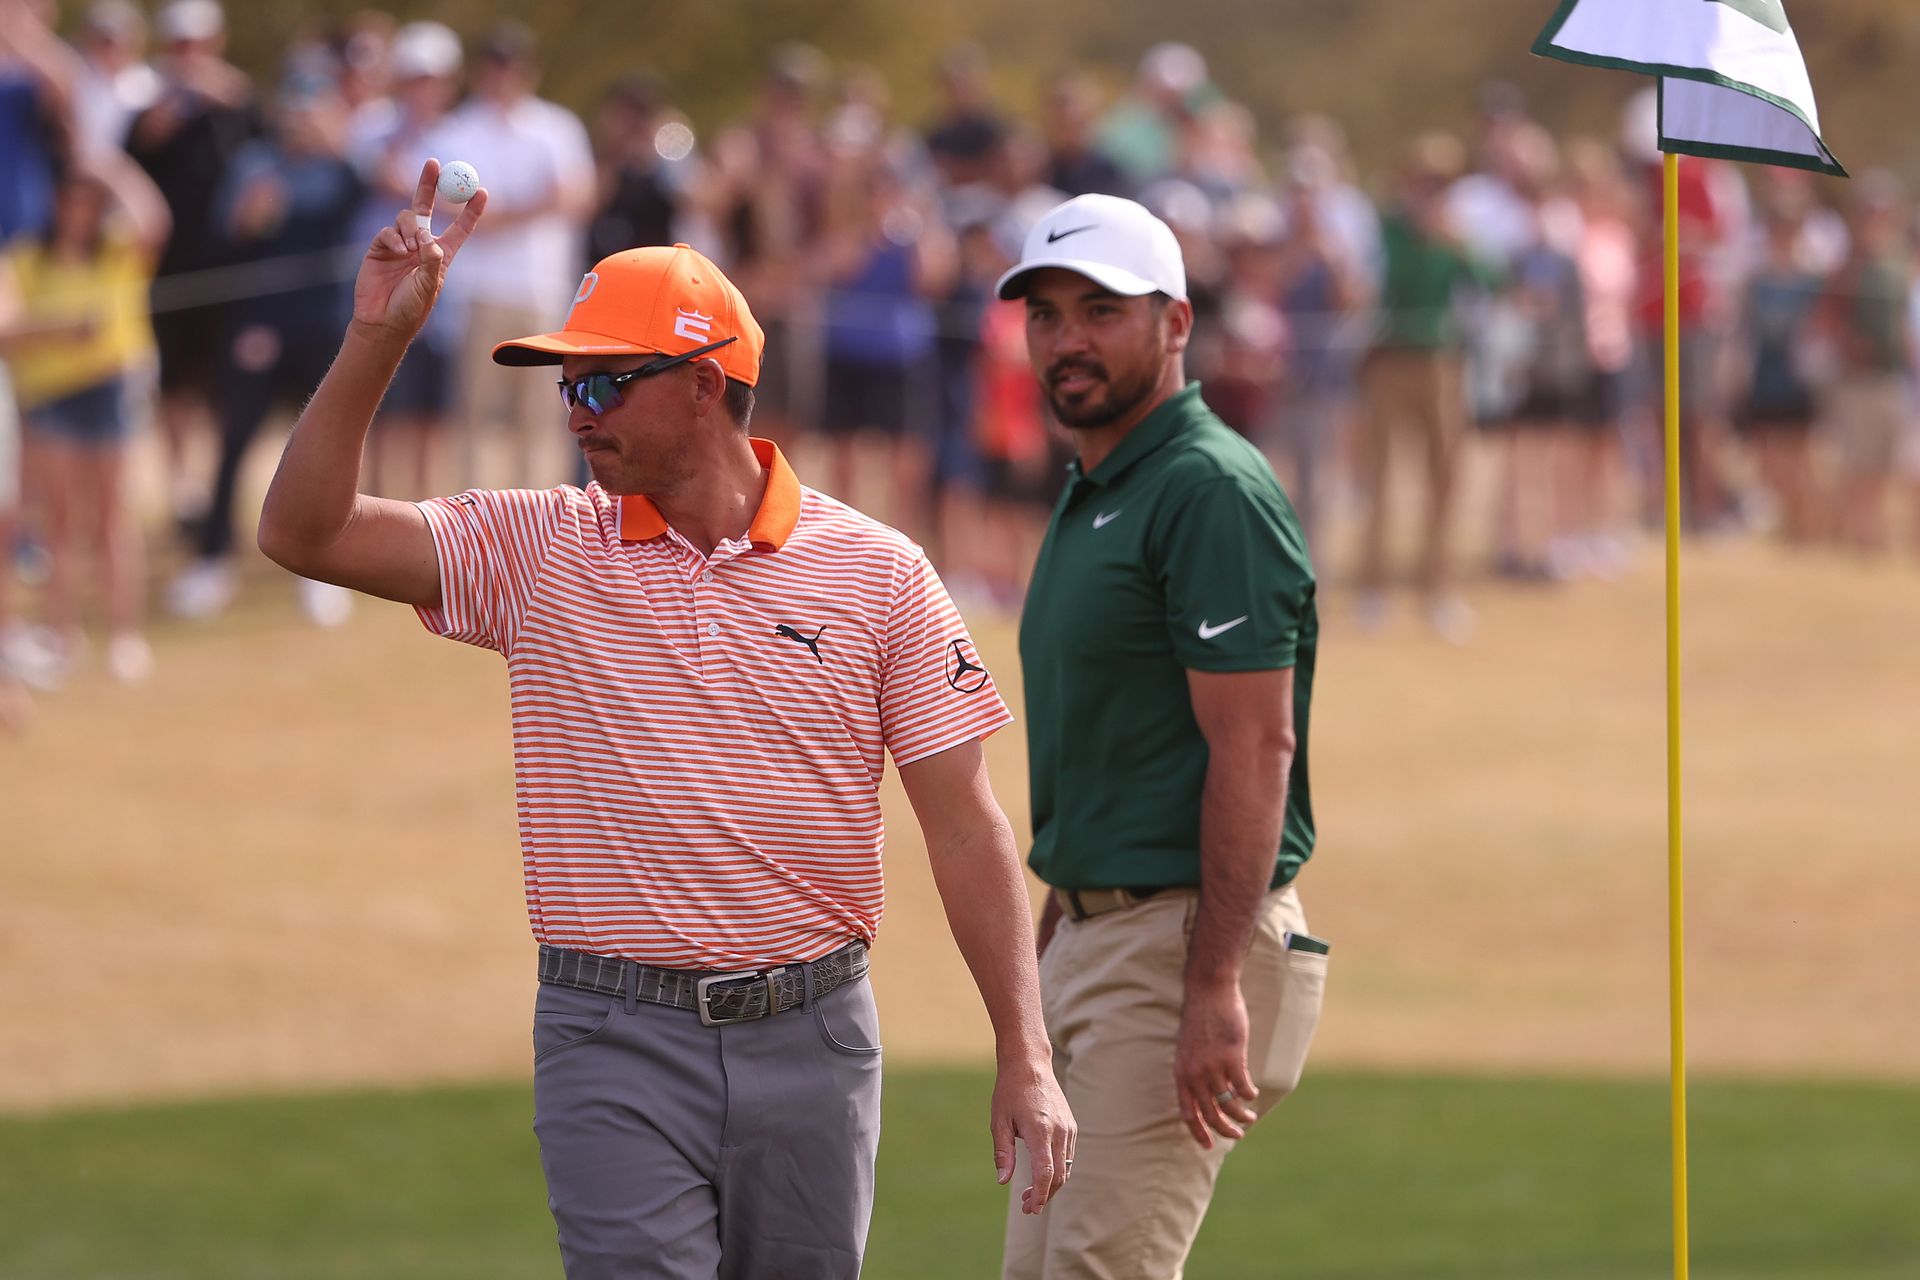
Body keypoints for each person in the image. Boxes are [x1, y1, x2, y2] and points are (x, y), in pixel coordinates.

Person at [255, 160, 1073, 1279]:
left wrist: (1023, 1048)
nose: (576, 411)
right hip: (612, 1036)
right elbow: (306, 534)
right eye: (568, 385)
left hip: (819, 1038)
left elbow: (968, 826)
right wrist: (376, 342)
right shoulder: (536, 545)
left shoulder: (880, 573)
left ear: (703, 383)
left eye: (606, 382)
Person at [995, 193, 1327, 1279]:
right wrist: (1056, 932)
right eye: (1045, 314)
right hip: (1097, 942)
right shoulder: (1099, 485)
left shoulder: (1206, 488)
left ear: (1176, 323)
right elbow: (1118, 747)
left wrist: (1213, 983)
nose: (1067, 339)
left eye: (1100, 308)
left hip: (1182, 949)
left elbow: (1256, 746)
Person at [166, 57, 363, 625]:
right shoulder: (254, 165)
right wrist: (248, 222)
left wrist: (338, 143)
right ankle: (212, 560)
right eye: (295, 109)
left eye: (314, 110)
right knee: (234, 441)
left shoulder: (343, 166)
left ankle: (322, 570)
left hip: (324, 325)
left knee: (326, 451)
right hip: (258, 326)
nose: (303, 122)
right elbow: (220, 246)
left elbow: (364, 198)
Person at [4, 148, 169, 683]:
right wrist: (64, 329)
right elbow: (7, 331)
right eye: (71, 199)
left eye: (89, 201)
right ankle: (62, 634)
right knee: (60, 521)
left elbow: (154, 217)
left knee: (112, 518)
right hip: (52, 398)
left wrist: (105, 161)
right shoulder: (27, 258)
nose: (79, 210)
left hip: (110, 391)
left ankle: (123, 636)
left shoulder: (118, 251)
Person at [419, 20, 593, 490]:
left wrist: (525, 207)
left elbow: (581, 197)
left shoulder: (556, 126)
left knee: (541, 419)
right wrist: (538, 202)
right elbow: (476, 215)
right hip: (481, 292)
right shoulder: (458, 130)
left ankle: (541, 520)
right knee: (475, 414)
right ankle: (475, 520)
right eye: (495, 65)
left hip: (542, 291)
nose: (503, 75)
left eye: (511, 65)